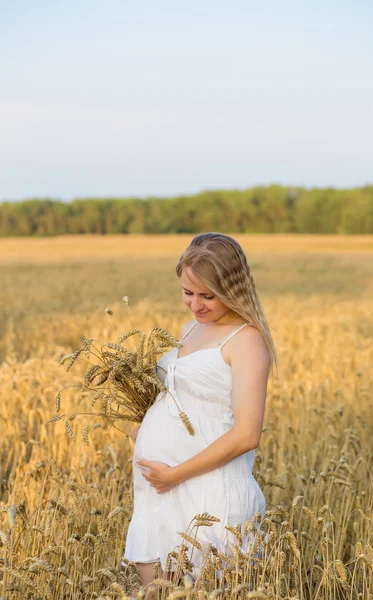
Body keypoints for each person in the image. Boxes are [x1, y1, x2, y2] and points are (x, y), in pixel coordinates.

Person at [123, 232, 279, 588]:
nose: (196, 305)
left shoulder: (246, 340)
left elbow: (247, 434)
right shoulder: (190, 328)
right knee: (158, 594)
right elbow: (186, 401)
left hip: (209, 491)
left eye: (208, 295)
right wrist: (144, 428)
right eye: (187, 293)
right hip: (159, 491)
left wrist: (174, 474)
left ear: (234, 287)